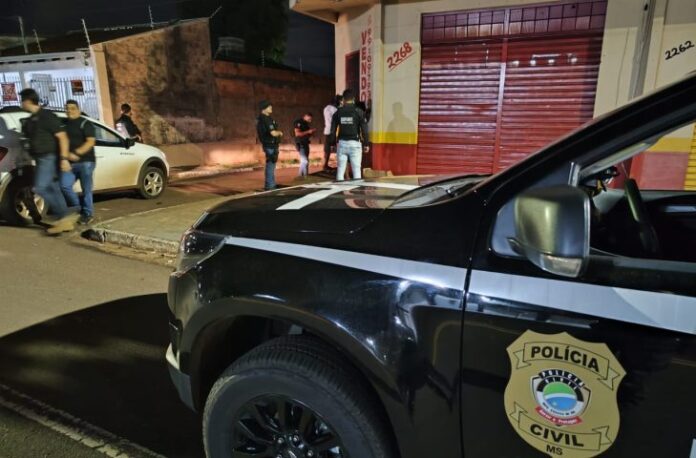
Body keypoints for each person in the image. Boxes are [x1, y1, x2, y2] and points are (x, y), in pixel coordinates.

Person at [19, 88, 78, 234]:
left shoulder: (47, 116)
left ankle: (65, 216)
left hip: (48, 157)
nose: (21, 104)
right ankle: (65, 220)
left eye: (22, 101)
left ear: (28, 101)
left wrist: (64, 159)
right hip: (40, 159)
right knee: (53, 188)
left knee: (40, 188)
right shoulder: (31, 120)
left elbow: (63, 138)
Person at [60, 100, 97, 225]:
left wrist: (76, 153)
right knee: (64, 185)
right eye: (67, 108)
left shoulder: (85, 123)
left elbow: (90, 142)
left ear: (78, 109)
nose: (69, 110)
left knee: (86, 189)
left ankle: (87, 214)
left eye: (72, 108)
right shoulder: (63, 124)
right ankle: (77, 208)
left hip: (86, 161)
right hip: (69, 163)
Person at [330, 89, 369, 181]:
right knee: (356, 171)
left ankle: (339, 189)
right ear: (354, 99)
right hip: (355, 144)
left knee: (340, 171)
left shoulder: (338, 112)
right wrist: (366, 144)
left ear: (343, 99)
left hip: (342, 144)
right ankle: (356, 189)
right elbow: (364, 130)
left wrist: (332, 144)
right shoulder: (359, 112)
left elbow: (333, 130)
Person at [256, 100, 282, 190]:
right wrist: (280, 133)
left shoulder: (265, 118)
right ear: (264, 108)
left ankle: (271, 184)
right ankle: (270, 186)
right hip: (270, 145)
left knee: (271, 165)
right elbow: (273, 133)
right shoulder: (265, 119)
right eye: (269, 106)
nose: (271, 108)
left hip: (270, 144)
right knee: (271, 165)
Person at [322, 95, 341, 170]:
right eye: (340, 102)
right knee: (338, 148)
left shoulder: (326, 108)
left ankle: (325, 165)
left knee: (327, 150)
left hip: (327, 131)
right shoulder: (335, 109)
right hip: (334, 131)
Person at [293, 112, 315, 178]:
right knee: (304, 161)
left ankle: (304, 175)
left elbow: (306, 134)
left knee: (305, 161)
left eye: (311, 119)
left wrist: (311, 133)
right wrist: (308, 131)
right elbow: (297, 134)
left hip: (306, 143)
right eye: (309, 119)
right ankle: (302, 176)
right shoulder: (298, 122)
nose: (310, 121)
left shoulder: (306, 124)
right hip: (300, 143)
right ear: (305, 116)